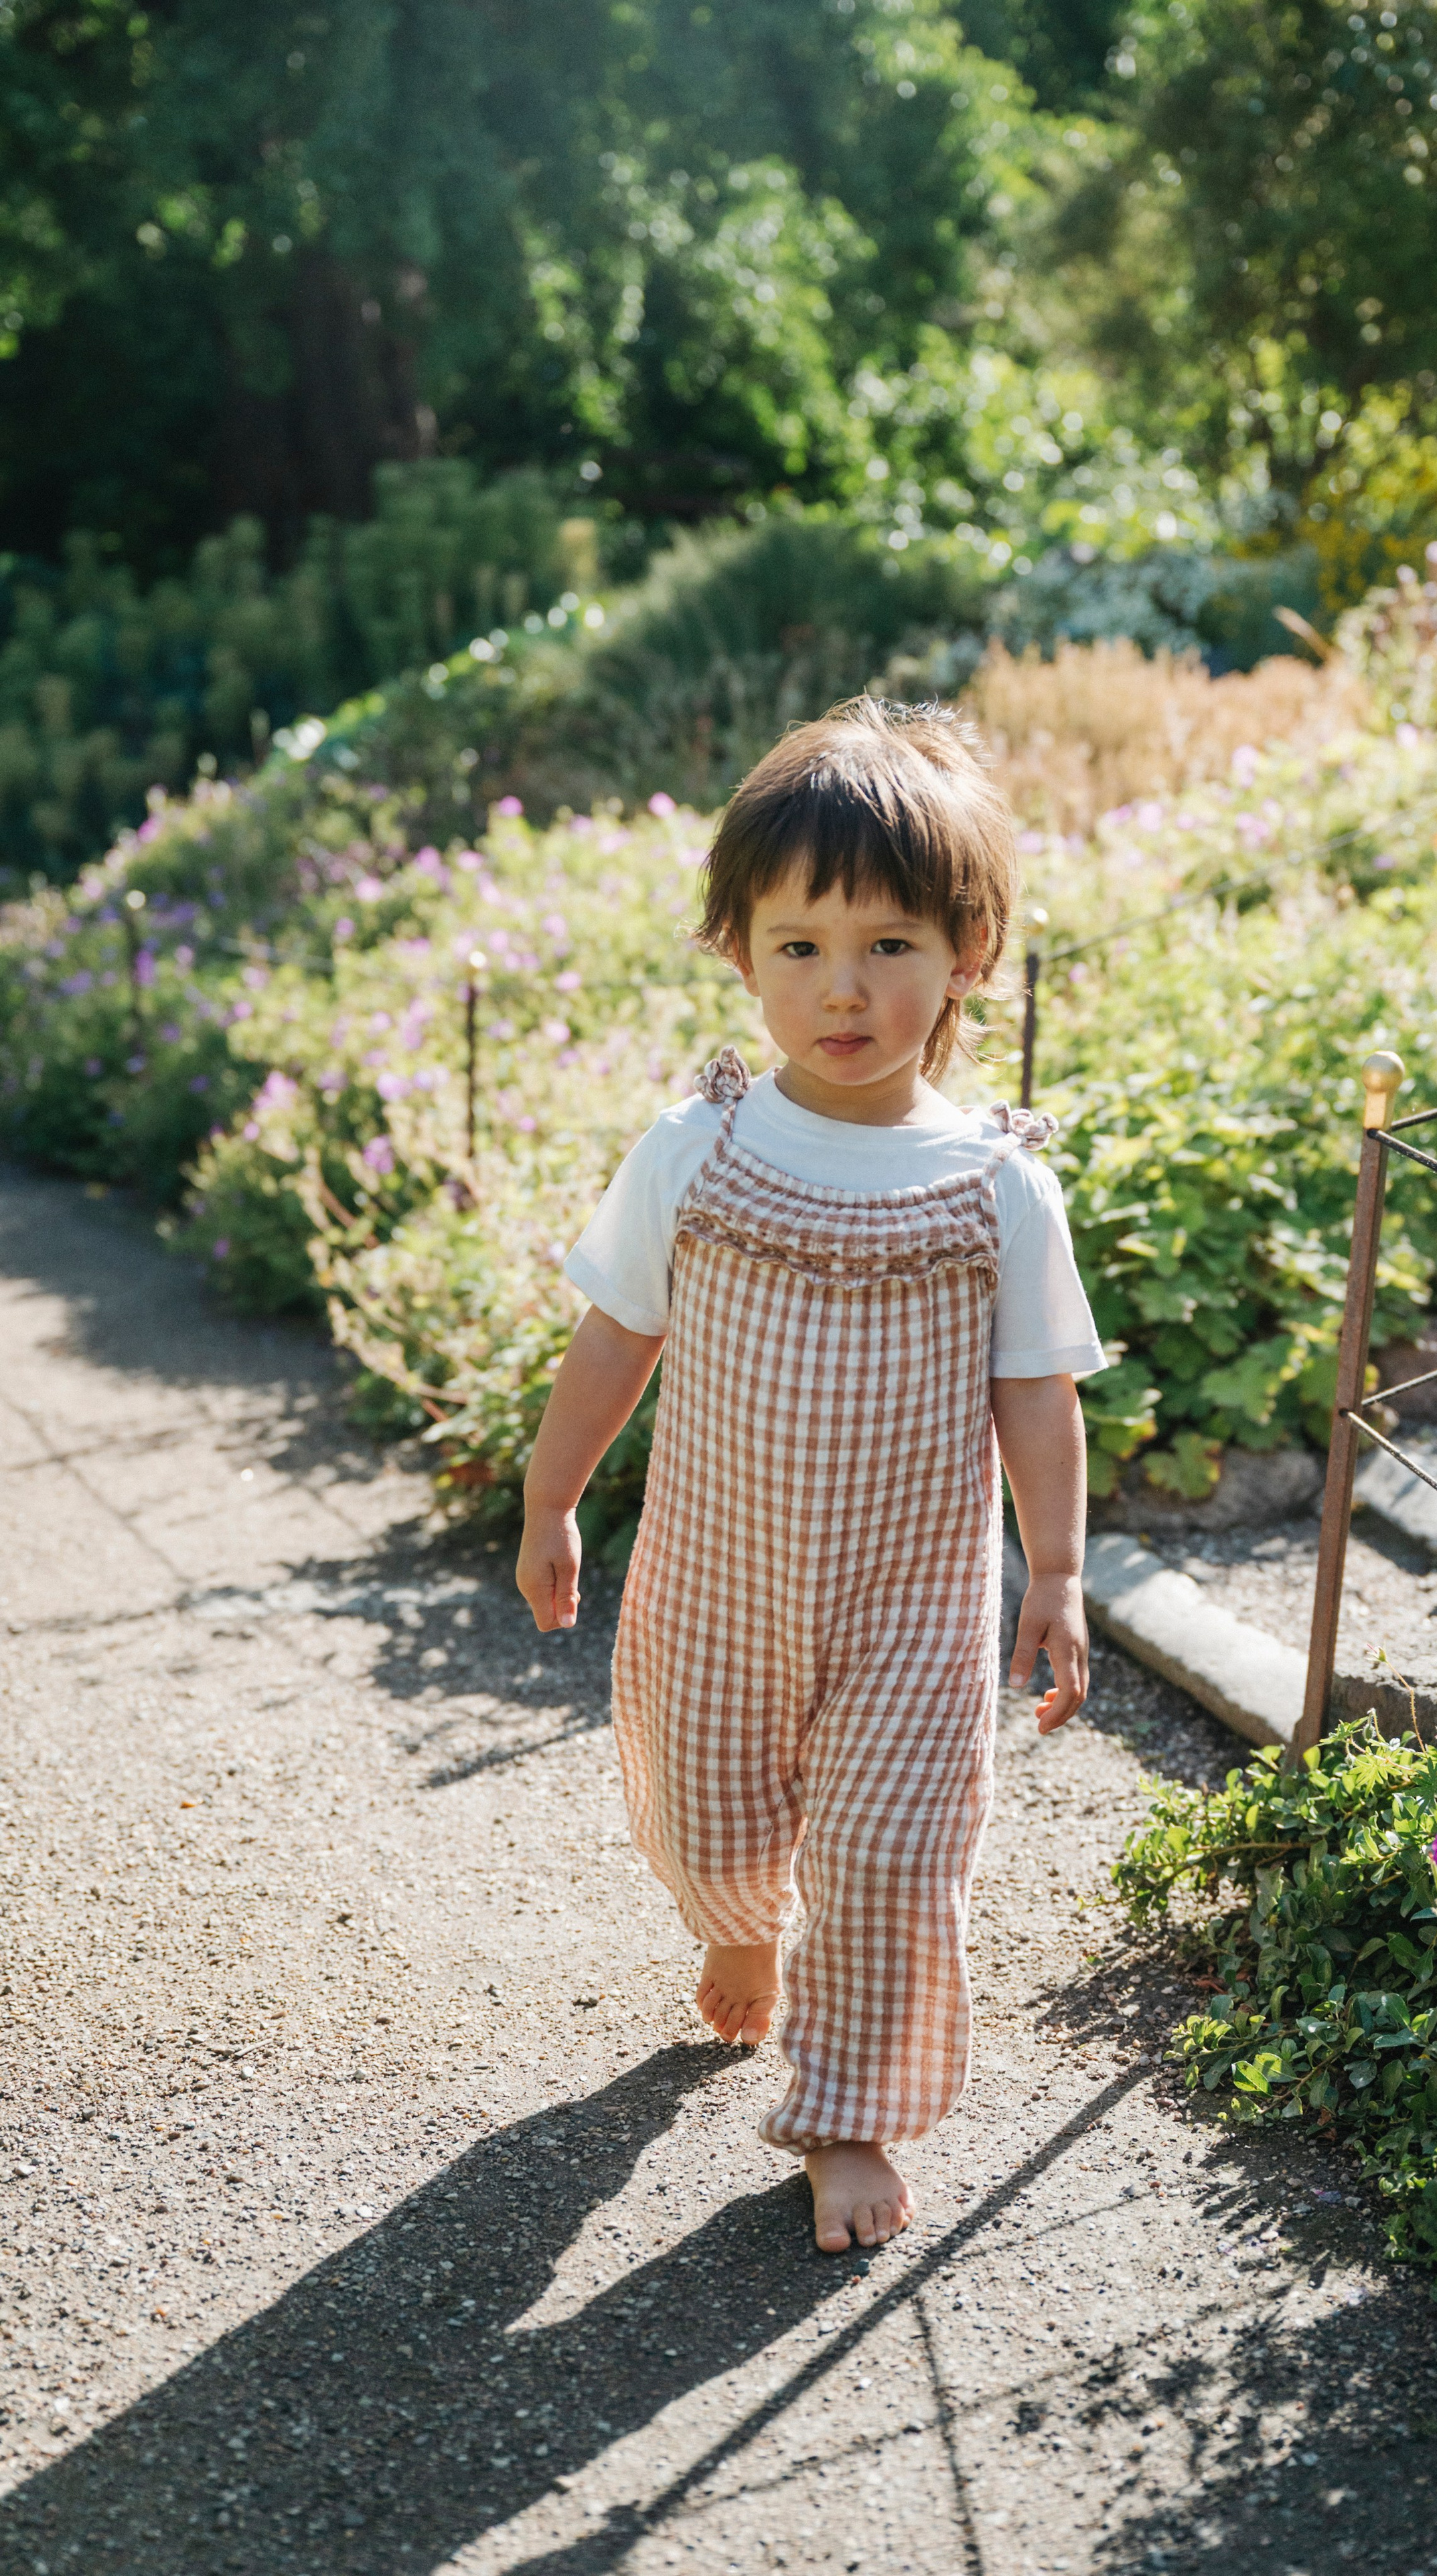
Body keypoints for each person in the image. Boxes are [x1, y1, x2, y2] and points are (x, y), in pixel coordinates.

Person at [516, 698, 1104, 2253]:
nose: (843, 989)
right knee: (707, 1826)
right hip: (715, 1585)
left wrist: (1052, 1572)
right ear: (737, 951)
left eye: (890, 946)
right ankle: (737, 1931)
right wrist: (549, 1493)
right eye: (799, 946)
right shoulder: (695, 1151)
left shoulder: (991, 1183)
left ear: (966, 953)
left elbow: (1036, 1395)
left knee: (889, 1857)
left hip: (909, 1608)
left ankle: (843, 2110)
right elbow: (612, 1337)